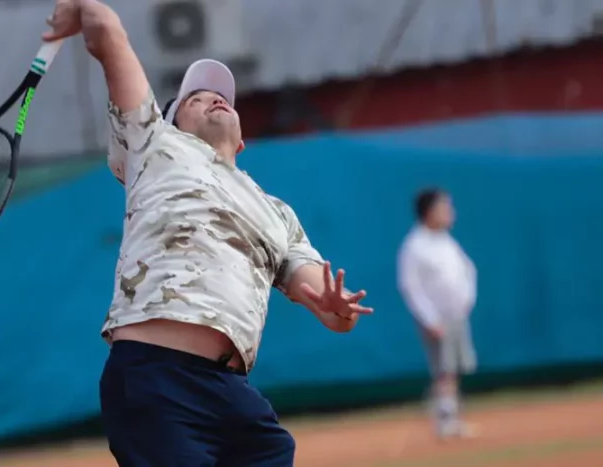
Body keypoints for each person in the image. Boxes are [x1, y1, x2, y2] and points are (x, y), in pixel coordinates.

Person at [43, 1, 374, 465]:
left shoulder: (276, 213)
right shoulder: (152, 146)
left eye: (221, 97)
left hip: (230, 393)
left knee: (275, 449)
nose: (213, 97)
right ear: (174, 122)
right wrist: (81, 8)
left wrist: (338, 309)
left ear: (240, 141)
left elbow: (333, 310)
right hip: (154, 378)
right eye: (195, 98)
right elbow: (107, 33)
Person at [397, 188, 478, 440]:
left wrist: (467, 300)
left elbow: (467, 270)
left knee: (453, 369)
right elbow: (410, 286)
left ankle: (450, 416)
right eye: (444, 207)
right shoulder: (414, 245)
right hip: (437, 320)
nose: (449, 212)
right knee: (443, 370)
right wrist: (429, 318)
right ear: (429, 211)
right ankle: (444, 419)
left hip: (457, 315)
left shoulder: (446, 241)